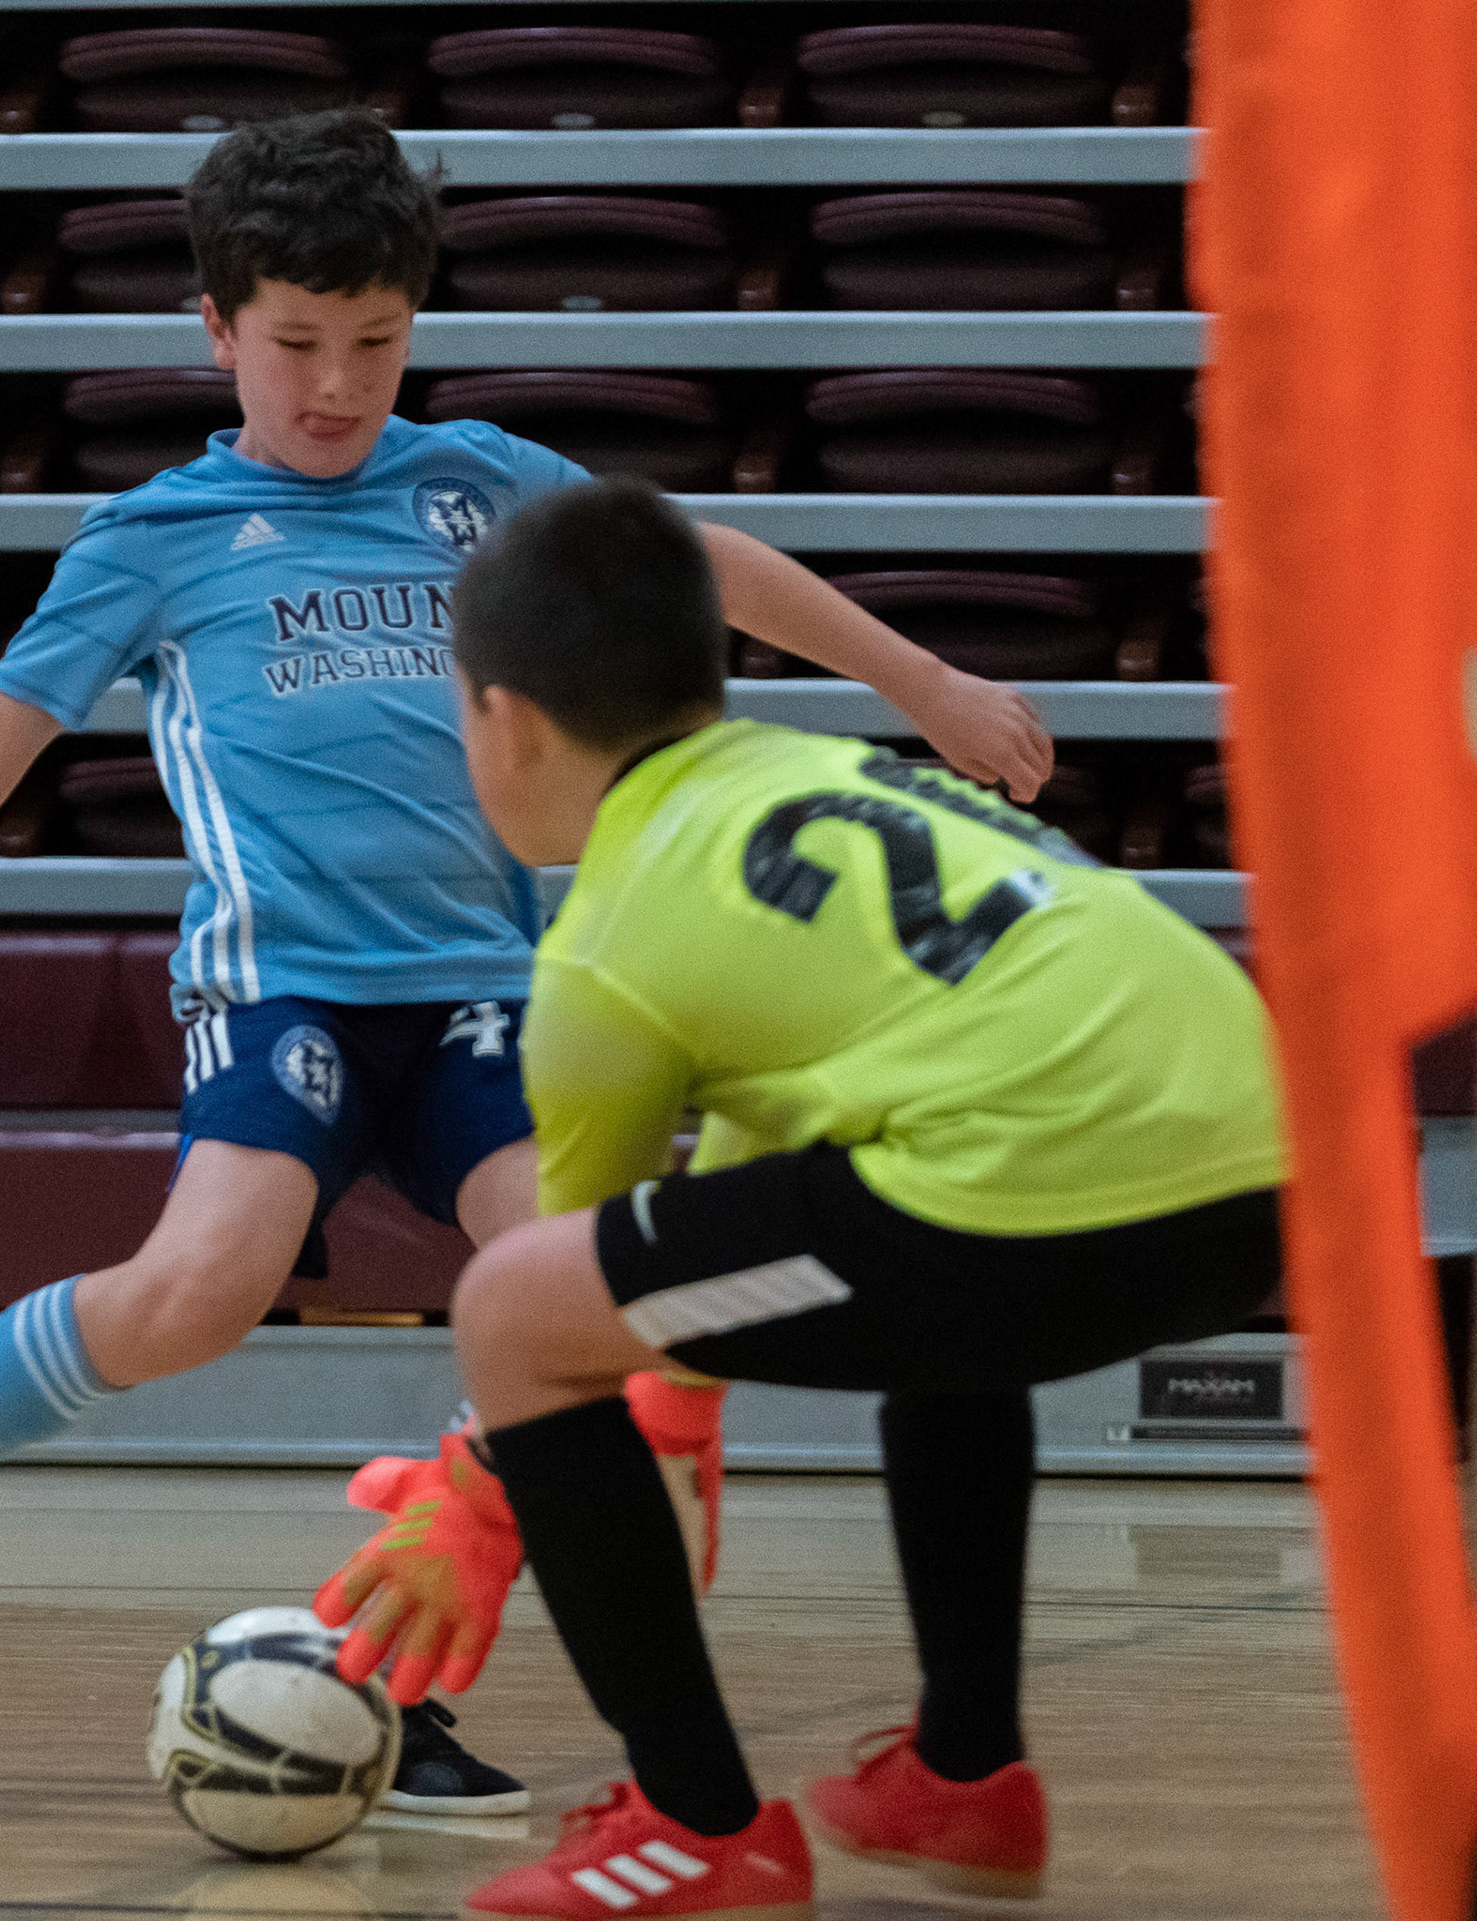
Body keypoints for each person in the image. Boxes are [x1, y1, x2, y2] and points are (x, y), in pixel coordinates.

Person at [0, 109, 1050, 1818]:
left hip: (494, 981)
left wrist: (922, 685)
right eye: (297, 346)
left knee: (582, 1324)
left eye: (376, 344)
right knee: (203, 1289)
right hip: (288, 988)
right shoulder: (159, 537)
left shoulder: (478, 479)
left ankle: (402, 1672)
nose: (337, 386)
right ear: (215, 331)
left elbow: (706, 567)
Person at [315, 477, 1284, 1904]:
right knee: (934, 1298)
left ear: (501, 718)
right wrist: (665, 1407)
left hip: (1046, 1183)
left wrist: (477, 1490)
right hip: (1260, 1163)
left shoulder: (609, 938)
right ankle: (965, 1778)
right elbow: (739, 1212)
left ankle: (697, 1823)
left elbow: (575, 1306)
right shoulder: (811, 772)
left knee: (512, 1305)